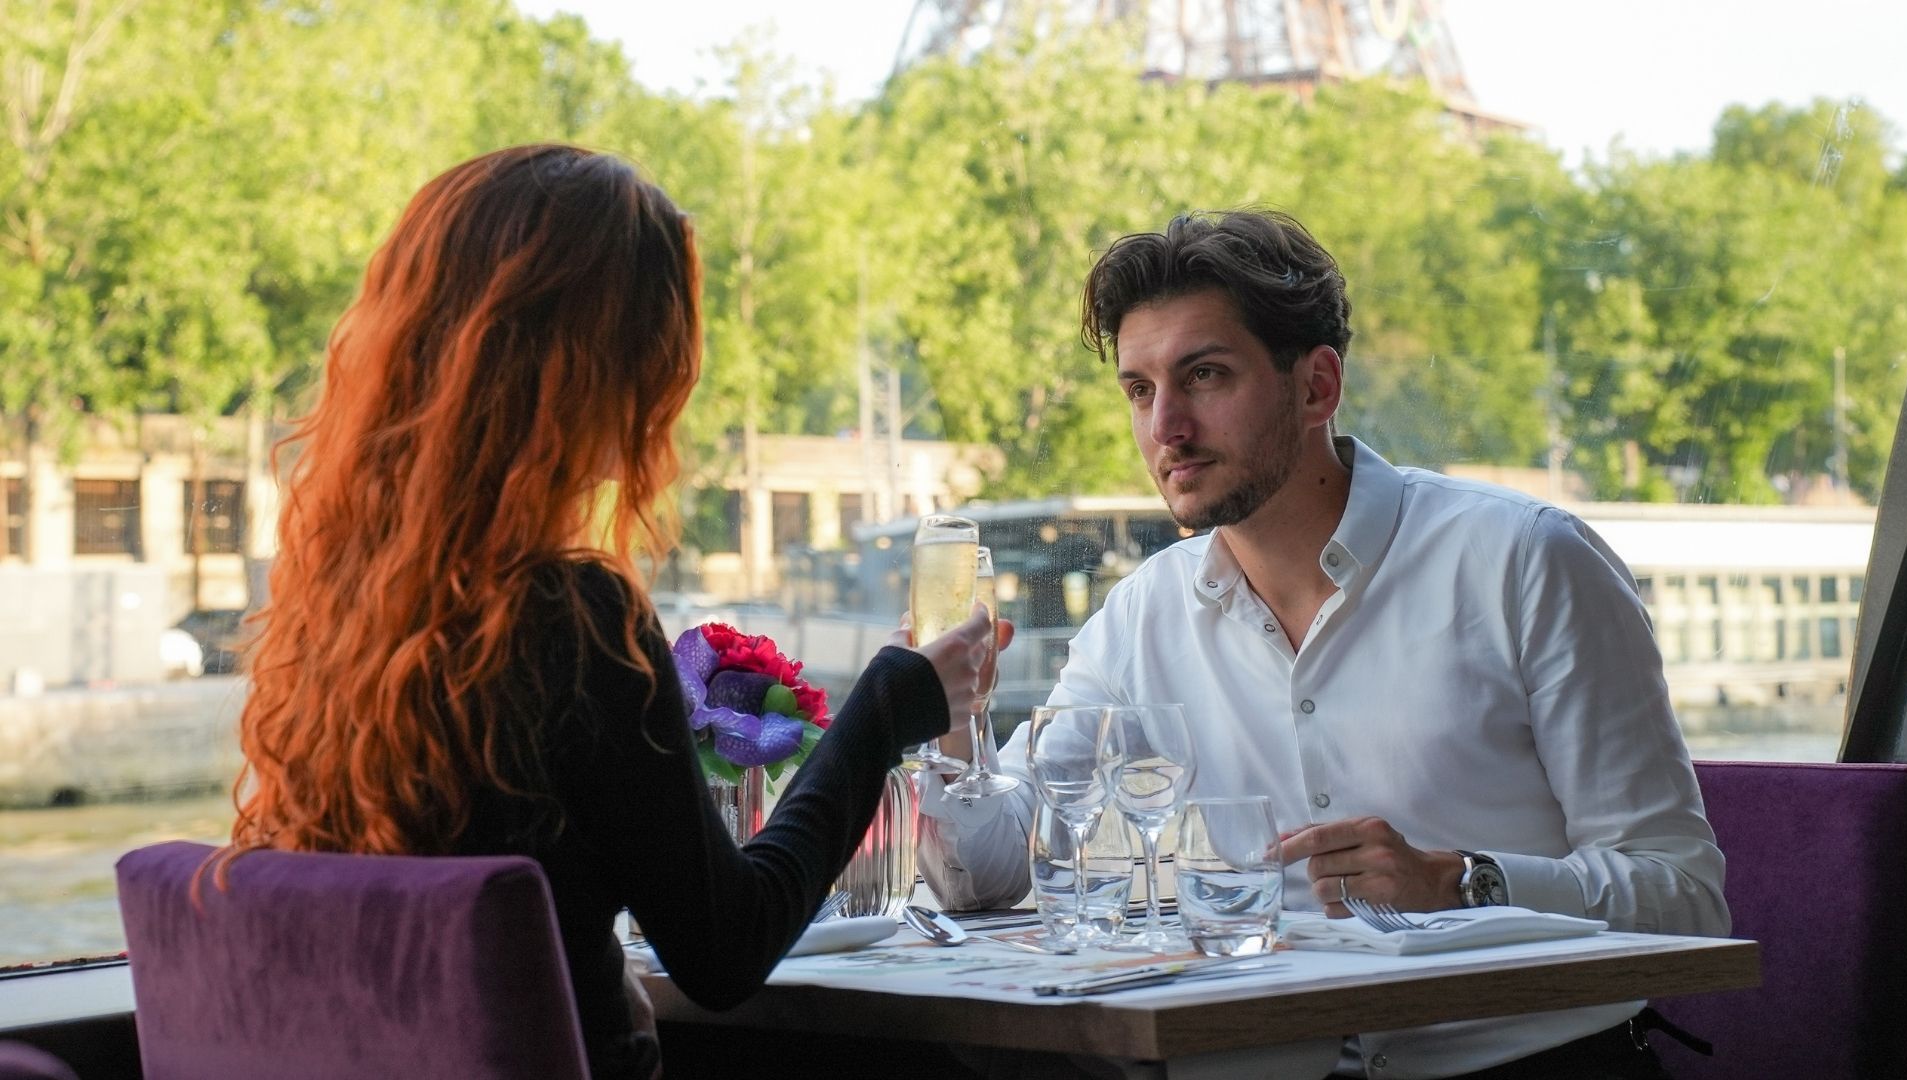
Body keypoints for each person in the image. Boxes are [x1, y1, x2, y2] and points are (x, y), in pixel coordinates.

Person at [217, 144, 995, 1080]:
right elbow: (724, 950)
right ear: (594, 366)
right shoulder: (567, 617)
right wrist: (887, 706)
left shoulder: (341, 615)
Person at [918, 209, 1730, 1079]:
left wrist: (1464, 883)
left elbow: (1685, 902)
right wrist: (951, 717)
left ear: (1317, 387)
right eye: (1141, 390)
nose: (1166, 429)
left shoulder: (1529, 560)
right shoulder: (1141, 614)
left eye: (1205, 375)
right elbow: (989, 881)